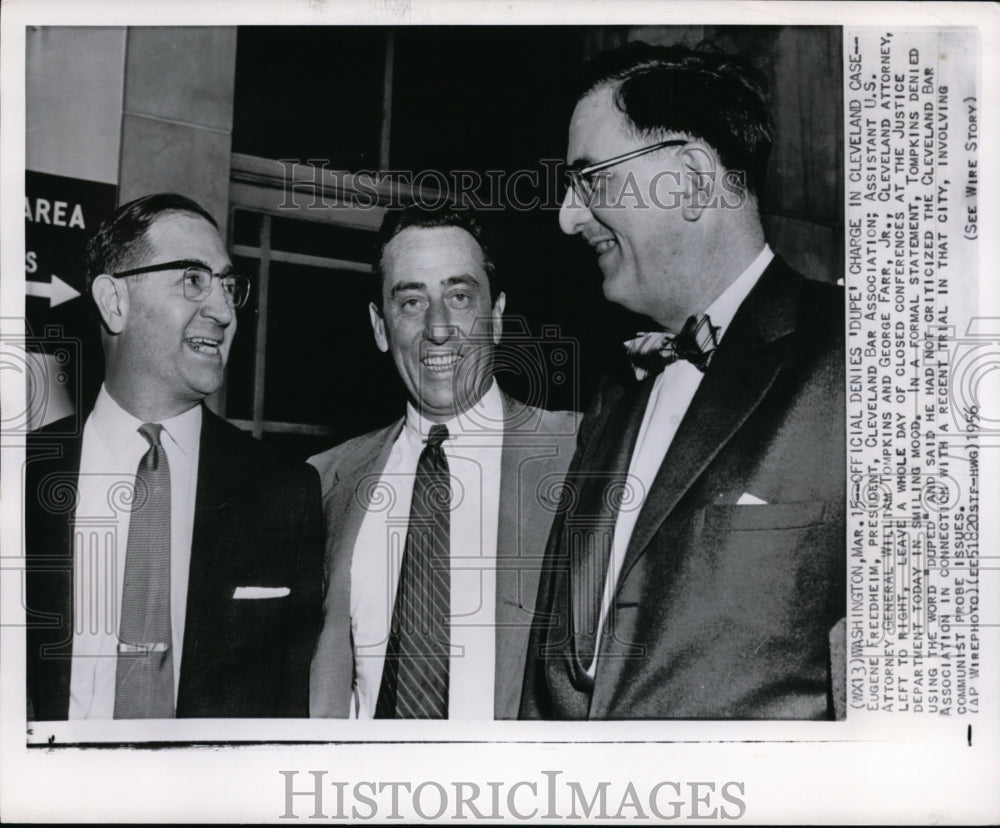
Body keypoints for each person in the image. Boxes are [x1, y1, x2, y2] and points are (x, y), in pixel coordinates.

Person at [520, 42, 845, 719]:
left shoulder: (858, 357)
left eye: (591, 181)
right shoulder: (613, 397)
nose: (567, 217)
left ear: (693, 180)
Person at [25, 193, 323, 720]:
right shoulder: (21, 478)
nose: (224, 310)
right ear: (115, 302)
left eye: (228, 285)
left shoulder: (284, 493)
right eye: (193, 279)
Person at [308, 206, 579, 719]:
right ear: (380, 327)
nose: (438, 328)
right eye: (412, 301)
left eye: (459, 297)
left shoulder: (582, 455)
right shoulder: (325, 483)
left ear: (497, 316)